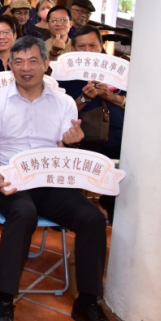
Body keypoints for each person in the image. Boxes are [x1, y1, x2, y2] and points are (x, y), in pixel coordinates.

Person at [0, 36, 122, 321]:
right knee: (23, 213)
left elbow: (64, 152)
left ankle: (88, 303)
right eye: (18, 62)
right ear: (9, 65)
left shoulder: (64, 102)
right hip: (10, 179)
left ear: (46, 64)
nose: (25, 68)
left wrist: (71, 143)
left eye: (33, 61)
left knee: (92, 218)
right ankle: (4, 301)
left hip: (52, 181)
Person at [60, 25, 126, 223]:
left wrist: (111, 97)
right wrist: (84, 98)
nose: (88, 51)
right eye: (82, 47)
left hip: (121, 135)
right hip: (84, 138)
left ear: (101, 45)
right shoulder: (64, 74)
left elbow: (135, 103)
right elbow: (60, 114)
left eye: (92, 46)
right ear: (73, 48)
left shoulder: (118, 70)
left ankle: (111, 206)